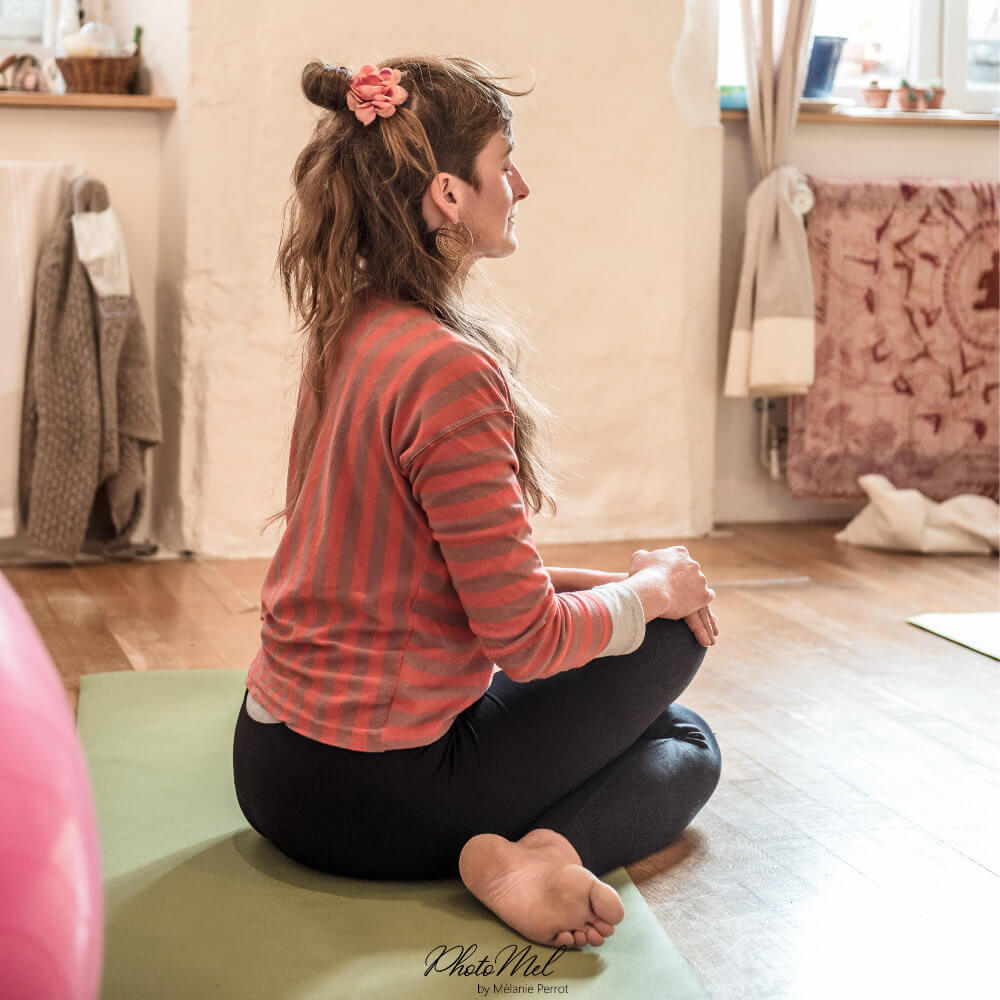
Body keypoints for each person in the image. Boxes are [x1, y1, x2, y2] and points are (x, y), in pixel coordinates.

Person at [232, 55, 722, 951]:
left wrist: (632, 578)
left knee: (672, 726)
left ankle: (524, 848)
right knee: (686, 730)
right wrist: (655, 598)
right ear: (450, 195)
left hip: (270, 769)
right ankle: (537, 854)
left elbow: (453, 578)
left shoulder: (351, 329)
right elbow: (526, 642)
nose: (522, 184)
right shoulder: (449, 370)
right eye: (508, 160)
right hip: (374, 798)